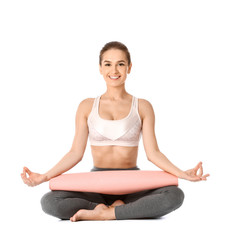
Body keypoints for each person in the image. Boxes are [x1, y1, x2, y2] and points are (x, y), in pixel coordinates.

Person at [21, 41, 210, 221]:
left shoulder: (143, 106)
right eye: (108, 64)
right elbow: (75, 153)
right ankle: (103, 208)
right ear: (100, 68)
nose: (114, 70)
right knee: (49, 201)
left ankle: (107, 214)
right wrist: (44, 176)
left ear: (129, 67)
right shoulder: (86, 106)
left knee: (174, 195)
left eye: (120, 64)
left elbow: (153, 153)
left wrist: (182, 174)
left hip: (133, 184)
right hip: (96, 185)